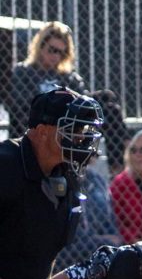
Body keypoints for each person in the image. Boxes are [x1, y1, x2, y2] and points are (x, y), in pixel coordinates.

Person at [0, 87, 104, 279]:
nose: (82, 138)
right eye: (73, 129)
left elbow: (48, 242)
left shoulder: (64, 174)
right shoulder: (6, 165)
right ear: (43, 131)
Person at [8, 21, 127, 173]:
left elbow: (84, 102)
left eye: (61, 52)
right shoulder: (24, 71)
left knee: (109, 103)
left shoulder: (69, 77)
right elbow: (20, 104)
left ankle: (117, 170)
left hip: (69, 123)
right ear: (40, 47)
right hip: (42, 123)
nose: (56, 56)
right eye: (52, 50)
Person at [55, 153, 122, 269]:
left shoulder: (98, 180)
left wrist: (107, 240)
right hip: (66, 260)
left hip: (97, 255)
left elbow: (112, 226)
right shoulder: (58, 182)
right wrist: (103, 241)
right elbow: (70, 239)